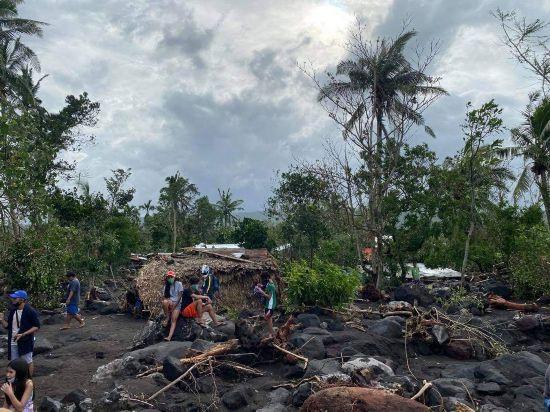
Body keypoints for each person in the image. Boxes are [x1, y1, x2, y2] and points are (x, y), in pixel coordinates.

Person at [165, 277, 224, 341]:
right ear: (193, 284)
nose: (198, 286)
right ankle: (199, 319)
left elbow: (198, 304)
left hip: (192, 311)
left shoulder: (196, 291)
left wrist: (207, 303)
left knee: (209, 306)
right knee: (199, 300)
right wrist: (206, 297)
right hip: (185, 311)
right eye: (197, 284)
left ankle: (216, 322)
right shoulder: (187, 290)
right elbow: (196, 298)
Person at [0, 291, 40, 377]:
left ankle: (29, 380)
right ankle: (17, 381)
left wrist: (23, 334)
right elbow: (8, 326)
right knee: (14, 363)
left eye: (15, 298)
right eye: (13, 298)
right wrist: (2, 320)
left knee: (28, 361)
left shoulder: (30, 311)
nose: (13, 300)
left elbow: (36, 326)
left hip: (25, 340)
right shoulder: (13, 310)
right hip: (13, 341)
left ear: (22, 299)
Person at [259, 273, 277, 338]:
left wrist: (261, 292)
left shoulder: (271, 286)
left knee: (267, 318)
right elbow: (265, 286)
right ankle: (272, 333)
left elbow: (269, 297)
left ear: (266, 278)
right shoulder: (269, 284)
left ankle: (272, 334)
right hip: (269, 304)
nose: (262, 280)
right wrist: (261, 286)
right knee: (270, 319)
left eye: (263, 279)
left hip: (270, 305)